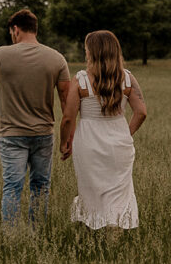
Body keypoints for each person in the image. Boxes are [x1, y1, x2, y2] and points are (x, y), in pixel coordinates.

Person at [0, 9, 70, 227]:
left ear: (15, 29)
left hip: (11, 134)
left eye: (11, 32)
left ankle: (12, 237)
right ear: (35, 29)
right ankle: (37, 232)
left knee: (12, 186)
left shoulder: (1, 54)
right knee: (41, 186)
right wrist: (67, 137)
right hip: (43, 134)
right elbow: (66, 102)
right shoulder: (57, 58)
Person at [59, 30, 147, 230]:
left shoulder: (81, 80)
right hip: (120, 143)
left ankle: (93, 231)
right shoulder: (127, 79)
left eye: (86, 50)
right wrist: (125, 134)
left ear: (93, 53)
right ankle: (113, 232)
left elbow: (67, 118)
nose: (85, 54)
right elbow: (141, 112)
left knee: (91, 190)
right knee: (119, 192)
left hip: (88, 143)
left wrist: (65, 142)